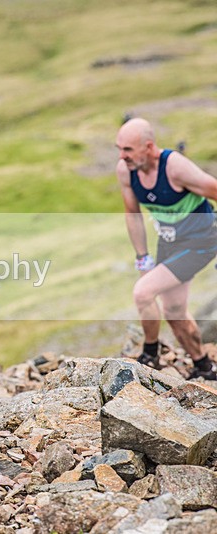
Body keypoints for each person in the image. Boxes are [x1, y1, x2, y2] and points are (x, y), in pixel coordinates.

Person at [116, 117, 217, 380]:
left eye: (127, 149)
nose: (122, 156)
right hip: (169, 243)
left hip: (200, 241)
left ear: (148, 147)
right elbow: (133, 214)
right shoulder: (126, 171)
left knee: (143, 293)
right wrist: (142, 258)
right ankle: (204, 367)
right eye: (119, 148)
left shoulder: (175, 168)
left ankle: (150, 355)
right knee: (173, 310)